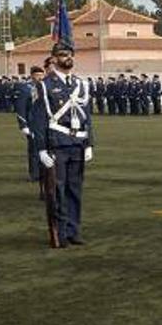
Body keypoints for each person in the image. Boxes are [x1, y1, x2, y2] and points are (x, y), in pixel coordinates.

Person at [30, 41, 94, 247]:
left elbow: (87, 117)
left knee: (75, 190)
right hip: (57, 144)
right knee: (57, 191)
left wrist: (89, 143)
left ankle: (74, 231)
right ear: (54, 59)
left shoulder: (80, 84)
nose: (68, 58)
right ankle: (60, 233)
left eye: (70, 54)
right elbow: (38, 119)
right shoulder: (44, 85)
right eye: (63, 55)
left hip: (77, 143)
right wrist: (40, 149)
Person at [14, 64, 47, 183]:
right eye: (37, 75)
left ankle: (45, 173)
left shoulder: (45, 87)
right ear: (32, 76)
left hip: (45, 124)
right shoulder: (25, 88)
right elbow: (20, 108)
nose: (39, 77)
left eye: (41, 75)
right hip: (32, 124)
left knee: (46, 149)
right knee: (34, 150)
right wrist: (23, 125)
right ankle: (34, 174)